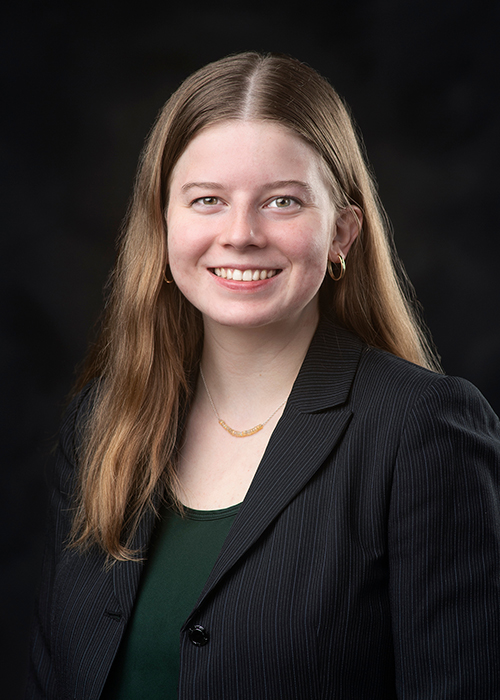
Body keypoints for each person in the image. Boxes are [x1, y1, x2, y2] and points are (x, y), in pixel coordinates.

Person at [26, 52, 500, 700]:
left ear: (342, 231)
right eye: (207, 201)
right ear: (163, 225)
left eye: (281, 201)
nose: (241, 234)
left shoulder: (422, 430)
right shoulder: (99, 425)